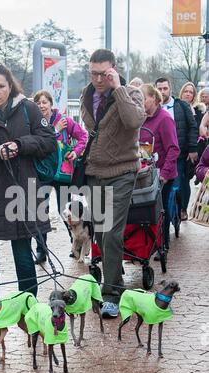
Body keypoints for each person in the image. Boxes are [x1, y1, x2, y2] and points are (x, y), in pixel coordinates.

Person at [0, 64, 57, 328]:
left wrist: (20, 145)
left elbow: (49, 141)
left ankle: (29, 311)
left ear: (10, 86)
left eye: (1, 86)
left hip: (22, 193)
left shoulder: (28, 109)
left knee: (24, 258)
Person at [81, 49, 146, 318]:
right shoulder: (87, 95)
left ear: (114, 69)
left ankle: (111, 294)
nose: (98, 79)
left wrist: (117, 87)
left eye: (103, 73)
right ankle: (113, 274)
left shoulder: (131, 93)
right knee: (100, 231)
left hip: (122, 172)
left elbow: (133, 121)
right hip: (95, 172)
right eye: (93, 73)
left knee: (111, 233)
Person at [33, 90, 88, 264]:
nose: (42, 106)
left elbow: (83, 136)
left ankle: (76, 243)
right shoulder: (34, 124)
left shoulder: (65, 121)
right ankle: (41, 250)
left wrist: (75, 152)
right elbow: (37, 143)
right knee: (41, 211)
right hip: (42, 172)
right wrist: (54, 131)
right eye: (38, 103)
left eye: (44, 102)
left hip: (62, 173)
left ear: (51, 104)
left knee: (66, 210)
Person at [140, 84, 180, 256]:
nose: (140, 102)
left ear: (154, 99)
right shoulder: (141, 119)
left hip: (163, 174)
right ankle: (146, 244)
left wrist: (164, 174)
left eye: (143, 98)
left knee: (160, 211)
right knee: (145, 211)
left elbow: (174, 148)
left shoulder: (164, 119)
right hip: (145, 173)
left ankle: (162, 246)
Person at [155, 77, 198, 222]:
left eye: (165, 88)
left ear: (170, 89)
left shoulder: (181, 106)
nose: (162, 92)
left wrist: (192, 148)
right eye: (159, 89)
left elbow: (192, 127)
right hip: (157, 156)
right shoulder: (152, 108)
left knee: (176, 186)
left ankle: (175, 214)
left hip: (178, 153)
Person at [179, 82, 206, 162]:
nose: (188, 94)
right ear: (182, 93)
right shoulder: (175, 108)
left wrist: (193, 149)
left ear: (194, 95)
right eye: (186, 91)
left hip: (194, 148)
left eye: (191, 92)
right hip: (179, 149)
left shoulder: (198, 111)